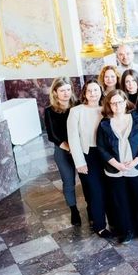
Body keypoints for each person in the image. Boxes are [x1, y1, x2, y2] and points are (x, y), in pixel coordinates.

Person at [96, 90, 138, 243]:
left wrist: (135, 161)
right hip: (116, 171)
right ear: (109, 105)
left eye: (120, 102)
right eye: (113, 103)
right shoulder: (104, 124)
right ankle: (126, 231)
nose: (117, 105)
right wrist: (117, 165)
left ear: (125, 102)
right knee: (121, 202)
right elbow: (101, 148)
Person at [67, 79, 113, 238]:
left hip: (107, 155)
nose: (93, 94)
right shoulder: (76, 111)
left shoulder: (106, 109)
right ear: (84, 94)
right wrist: (79, 162)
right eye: (90, 91)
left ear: (101, 91)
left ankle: (113, 220)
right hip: (88, 155)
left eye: (96, 90)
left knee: (109, 189)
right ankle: (99, 225)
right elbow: (73, 138)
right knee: (95, 191)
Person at [44, 78, 80, 226]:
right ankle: (74, 210)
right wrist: (70, 148)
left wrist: (77, 148)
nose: (66, 93)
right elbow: (52, 135)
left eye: (68, 89)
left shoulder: (78, 106)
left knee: (88, 180)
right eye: (62, 90)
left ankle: (92, 209)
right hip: (63, 150)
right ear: (55, 92)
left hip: (80, 147)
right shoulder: (49, 111)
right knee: (68, 182)